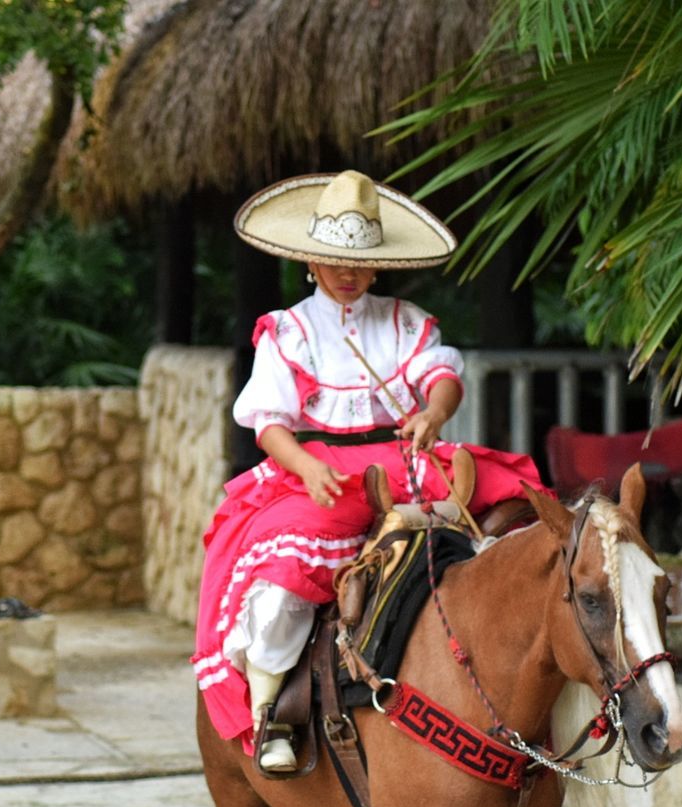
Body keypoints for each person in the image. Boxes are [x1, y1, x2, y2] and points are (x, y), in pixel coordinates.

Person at [191, 170, 549, 772]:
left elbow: (441, 377)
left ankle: (522, 678)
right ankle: (272, 709)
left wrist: (433, 414)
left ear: (378, 264)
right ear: (309, 259)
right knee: (285, 574)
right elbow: (268, 423)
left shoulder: (406, 320)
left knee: (519, 511)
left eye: (358, 260)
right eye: (333, 259)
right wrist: (303, 464)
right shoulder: (288, 331)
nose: (346, 271)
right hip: (320, 467)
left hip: (401, 456)